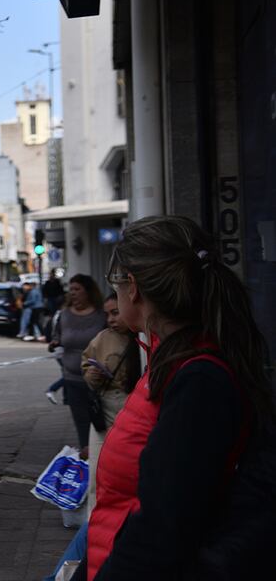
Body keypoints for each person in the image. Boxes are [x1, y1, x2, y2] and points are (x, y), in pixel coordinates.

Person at [73, 216, 273, 580]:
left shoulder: (198, 379)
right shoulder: (173, 361)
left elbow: (162, 527)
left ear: (131, 287)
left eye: (114, 284)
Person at [81, 292, 141, 514]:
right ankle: (92, 528)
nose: (111, 319)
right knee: (97, 474)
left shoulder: (146, 338)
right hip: (104, 416)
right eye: (107, 314)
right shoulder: (102, 339)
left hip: (134, 417)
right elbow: (87, 365)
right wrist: (92, 375)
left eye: (116, 313)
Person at [48, 274, 105, 455]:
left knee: (101, 423)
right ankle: (87, 460)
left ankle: (103, 457)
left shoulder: (101, 315)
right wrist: (55, 343)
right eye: (70, 289)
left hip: (98, 381)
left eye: (77, 289)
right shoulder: (64, 315)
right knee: (81, 423)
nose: (72, 293)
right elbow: (57, 336)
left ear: (88, 291)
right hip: (72, 379)